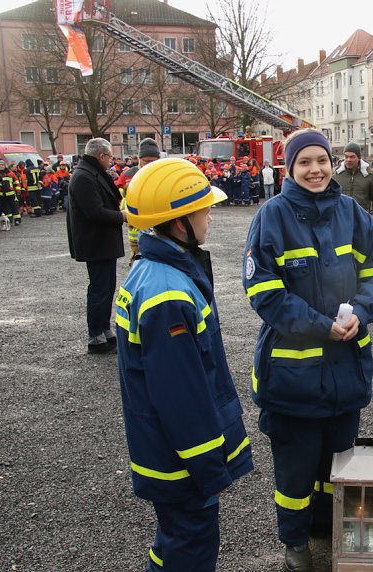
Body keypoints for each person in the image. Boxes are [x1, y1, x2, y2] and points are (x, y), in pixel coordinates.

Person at [243, 128, 373, 572]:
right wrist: (321, 326)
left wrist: (360, 314)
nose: (315, 169)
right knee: (294, 472)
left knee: (337, 464)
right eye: (305, 162)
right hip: (292, 377)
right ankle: (295, 543)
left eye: (321, 160)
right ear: (289, 168)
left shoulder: (353, 213)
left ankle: (325, 527)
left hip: (346, 371)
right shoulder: (271, 216)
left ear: (333, 163)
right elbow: (264, 292)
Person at [115, 158, 254, 572]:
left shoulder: (152, 271)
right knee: (191, 544)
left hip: (166, 452)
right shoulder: (169, 296)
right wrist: (210, 469)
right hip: (181, 462)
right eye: (203, 209)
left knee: (177, 539)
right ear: (179, 223)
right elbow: (182, 399)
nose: (210, 215)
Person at [66, 137, 126, 354]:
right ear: (101, 156)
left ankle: (104, 329)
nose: (111, 161)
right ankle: (95, 335)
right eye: (110, 157)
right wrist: (122, 216)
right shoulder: (84, 176)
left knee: (106, 287)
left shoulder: (89, 173)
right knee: (100, 288)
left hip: (101, 242)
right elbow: (94, 212)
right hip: (95, 242)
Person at [117, 137, 161, 265]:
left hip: (157, 220)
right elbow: (119, 196)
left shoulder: (162, 173)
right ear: (139, 158)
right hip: (135, 225)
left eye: (153, 161)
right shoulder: (128, 174)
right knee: (138, 260)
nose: (149, 164)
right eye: (146, 161)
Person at [333, 141, 373, 233]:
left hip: (362, 219)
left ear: (359, 158)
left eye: (352, 156)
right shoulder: (335, 174)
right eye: (346, 156)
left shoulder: (369, 174)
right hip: (339, 220)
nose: (348, 159)